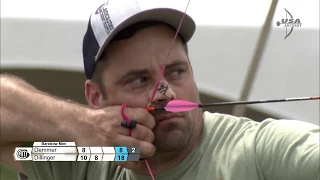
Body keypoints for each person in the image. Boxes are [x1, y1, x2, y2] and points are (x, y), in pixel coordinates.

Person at [1, 0, 319, 180]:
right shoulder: (87, 156)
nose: (165, 92)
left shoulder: (259, 151)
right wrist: (85, 125)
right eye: (139, 80)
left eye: (176, 72)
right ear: (96, 98)